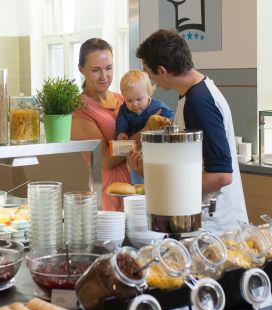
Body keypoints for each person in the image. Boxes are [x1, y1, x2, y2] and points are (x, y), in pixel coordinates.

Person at [130, 29, 248, 233]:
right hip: (206, 223)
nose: (150, 78)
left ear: (162, 70)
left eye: (149, 72)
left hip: (215, 229)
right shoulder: (195, 93)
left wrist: (155, 179)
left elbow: (221, 175)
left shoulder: (199, 101)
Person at [71, 38, 130, 211]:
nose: (104, 77)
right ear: (81, 69)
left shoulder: (123, 99)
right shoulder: (79, 110)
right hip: (107, 192)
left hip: (135, 190)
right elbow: (105, 160)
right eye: (96, 70)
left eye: (109, 68)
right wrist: (143, 134)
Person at [116, 70, 174, 185]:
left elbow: (171, 117)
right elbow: (121, 122)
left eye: (139, 99)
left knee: (156, 172)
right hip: (136, 149)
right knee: (135, 170)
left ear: (149, 94)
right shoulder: (124, 110)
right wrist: (120, 134)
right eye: (129, 100)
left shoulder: (157, 107)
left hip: (155, 147)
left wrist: (168, 121)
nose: (134, 104)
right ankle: (138, 187)